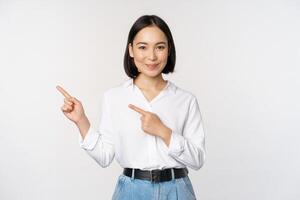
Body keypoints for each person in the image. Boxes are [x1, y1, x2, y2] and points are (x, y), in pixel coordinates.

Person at [57, 15, 206, 200]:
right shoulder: (114, 97)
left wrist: (164, 132)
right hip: (131, 192)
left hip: (177, 191)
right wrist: (81, 121)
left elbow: (198, 160)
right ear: (131, 50)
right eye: (142, 47)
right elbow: (104, 156)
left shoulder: (185, 100)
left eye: (160, 47)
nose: (151, 56)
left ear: (168, 50)